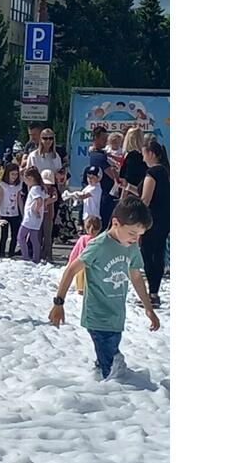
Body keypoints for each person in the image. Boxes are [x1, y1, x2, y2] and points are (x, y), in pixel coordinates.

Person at [48, 197, 160, 380]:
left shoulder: (130, 246)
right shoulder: (99, 245)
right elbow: (71, 270)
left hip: (116, 315)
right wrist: (59, 302)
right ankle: (114, 396)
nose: (136, 239)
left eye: (140, 235)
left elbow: (136, 276)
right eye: (132, 233)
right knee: (112, 364)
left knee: (108, 359)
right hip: (97, 315)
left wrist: (148, 308)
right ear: (116, 223)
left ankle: (103, 384)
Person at [138, 139, 170, 308]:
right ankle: (154, 293)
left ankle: (151, 294)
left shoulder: (153, 173)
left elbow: (146, 199)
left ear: (150, 154)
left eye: (144, 154)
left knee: (148, 255)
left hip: (151, 220)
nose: (143, 159)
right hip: (165, 219)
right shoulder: (166, 171)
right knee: (158, 254)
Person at [89, 126, 120, 225]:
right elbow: (112, 175)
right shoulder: (98, 157)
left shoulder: (103, 153)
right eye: (103, 139)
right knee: (105, 223)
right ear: (95, 138)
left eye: (106, 139)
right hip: (103, 195)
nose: (105, 141)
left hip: (107, 195)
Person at [66, 216, 103, 294]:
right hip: (95, 271)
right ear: (99, 228)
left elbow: (74, 253)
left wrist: (70, 265)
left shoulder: (83, 239)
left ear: (85, 227)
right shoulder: (100, 240)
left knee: (81, 290)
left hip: (81, 269)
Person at [18, 168, 46, 263]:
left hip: (30, 218)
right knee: (34, 239)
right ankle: (36, 258)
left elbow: (39, 200)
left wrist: (35, 210)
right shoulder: (40, 188)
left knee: (21, 237)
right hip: (36, 219)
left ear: (30, 178)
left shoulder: (35, 189)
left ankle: (25, 256)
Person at [0, 162, 23, 257]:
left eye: (16, 174)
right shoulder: (2, 185)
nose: (14, 176)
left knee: (14, 235)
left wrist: (22, 212)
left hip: (15, 213)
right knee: (4, 235)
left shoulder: (18, 185)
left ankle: (11, 253)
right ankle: (1, 253)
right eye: (12, 174)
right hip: (4, 213)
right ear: (7, 174)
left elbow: (19, 199)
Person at [118, 127, 147, 201]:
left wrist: (122, 198)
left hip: (131, 194)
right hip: (143, 191)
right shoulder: (144, 155)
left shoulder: (132, 156)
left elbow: (127, 179)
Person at [39, 169, 60, 263]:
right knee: (38, 236)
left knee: (48, 236)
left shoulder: (53, 189)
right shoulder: (38, 189)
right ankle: (39, 254)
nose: (47, 185)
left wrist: (49, 201)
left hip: (48, 215)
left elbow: (55, 197)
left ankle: (49, 255)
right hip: (38, 216)